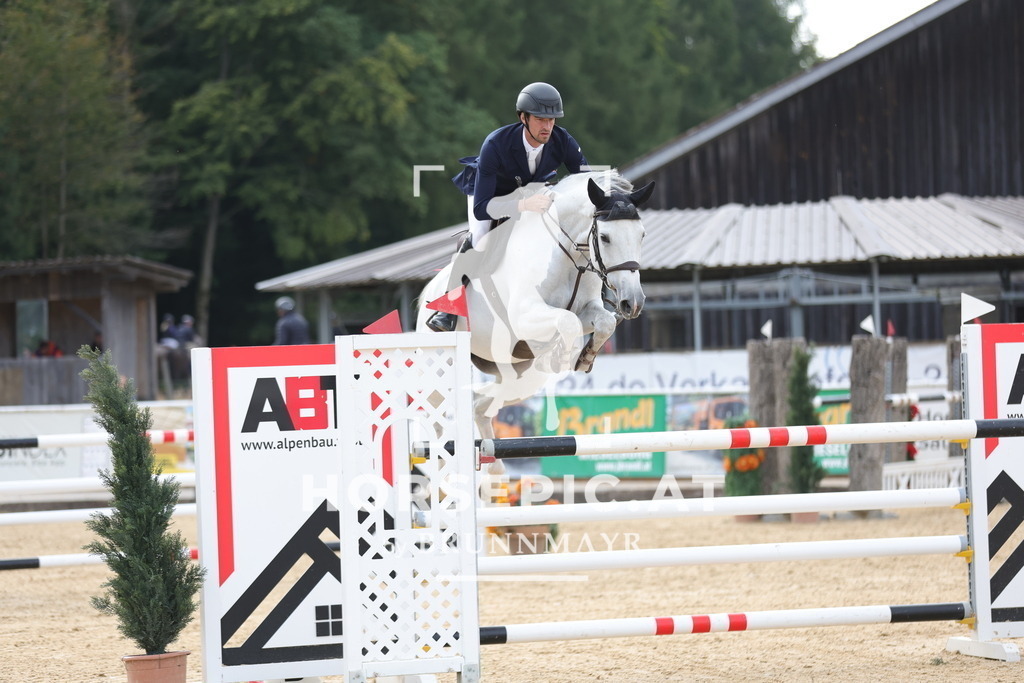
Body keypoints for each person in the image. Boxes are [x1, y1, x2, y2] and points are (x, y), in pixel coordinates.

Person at [426, 82, 589, 332]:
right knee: (480, 238)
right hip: (490, 196)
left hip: (531, 192)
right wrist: (523, 205)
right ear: (523, 117)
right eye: (540, 119)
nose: (547, 127)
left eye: (552, 120)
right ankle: (447, 308)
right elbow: (482, 208)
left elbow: (584, 181)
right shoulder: (496, 144)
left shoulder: (562, 140)